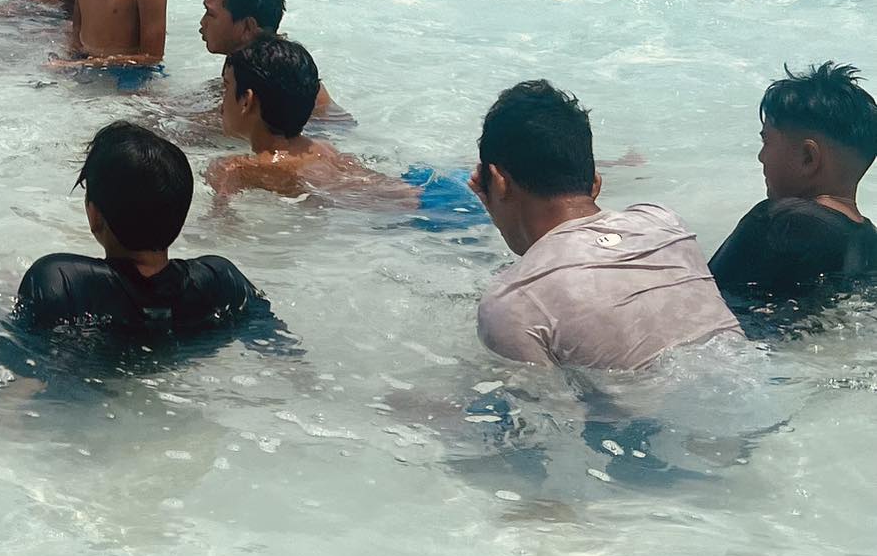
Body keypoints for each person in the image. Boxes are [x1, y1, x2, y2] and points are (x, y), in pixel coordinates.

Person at [471, 81, 741, 371]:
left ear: (499, 183)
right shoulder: (665, 225)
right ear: (596, 183)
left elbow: (551, 412)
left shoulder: (513, 304)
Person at [5, 122, 278, 355]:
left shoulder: (60, 283)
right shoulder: (221, 282)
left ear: (94, 215)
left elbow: (18, 387)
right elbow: (281, 352)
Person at [710, 63, 877, 334]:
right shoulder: (872, 246)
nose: (761, 157)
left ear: (808, 158)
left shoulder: (780, 221)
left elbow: (700, 300)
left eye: (767, 142)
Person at [207, 37, 414, 206]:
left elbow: (221, 230)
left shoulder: (235, 170)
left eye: (227, 87)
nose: (221, 102)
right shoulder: (325, 149)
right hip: (416, 196)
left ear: (246, 101)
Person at [199, 0, 341, 118]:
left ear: (247, 27)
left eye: (210, 14)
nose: (202, 22)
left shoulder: (273, 76)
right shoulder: (245, 60)